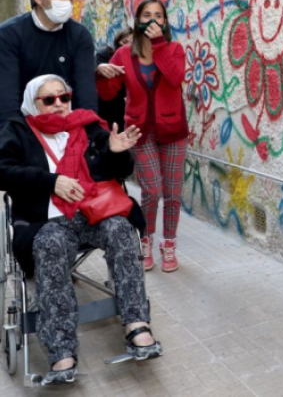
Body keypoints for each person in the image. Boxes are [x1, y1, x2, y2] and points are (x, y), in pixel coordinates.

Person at [0, 75, 163, 385]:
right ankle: (61, 350)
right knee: (51, 245)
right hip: (46, 221)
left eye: (64, 97)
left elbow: (120, 171)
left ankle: (136, 324)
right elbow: (3, 170)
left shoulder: (88, 125)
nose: (60, 104)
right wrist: (51, 181)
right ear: (33, 103)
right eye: (49, 100)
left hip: (94, 214)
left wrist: (115, 151)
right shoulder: (18, 131)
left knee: (120, 229)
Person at [97, 0, 187, 273]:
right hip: (139, 130)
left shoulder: (174, 49)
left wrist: (159, 46)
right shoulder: (124, 53)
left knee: (172, 193)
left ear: (165, 22)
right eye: (146, 14)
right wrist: (102, 73)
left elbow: (175, 78)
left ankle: (168, 244)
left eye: (158, 15)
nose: (152, 19)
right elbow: (107, 93)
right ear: (137, 21)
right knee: (152, 190)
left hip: (173, 131)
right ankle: (145, 240)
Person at [0, 0, 97, 123]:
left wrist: (90, 132)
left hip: (67, 127)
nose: (68, 3)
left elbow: (86, 93)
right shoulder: (9, 34)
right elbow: (7, 96)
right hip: (23, 128)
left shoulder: (79, 35)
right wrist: (14, 139)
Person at [96, 28, 132, 131]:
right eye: (124, 42)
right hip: (102, 104)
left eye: (132, 42)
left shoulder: (136, 60)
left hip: (120, 107)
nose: (128, 46)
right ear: (117, 42)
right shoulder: (105, 54)